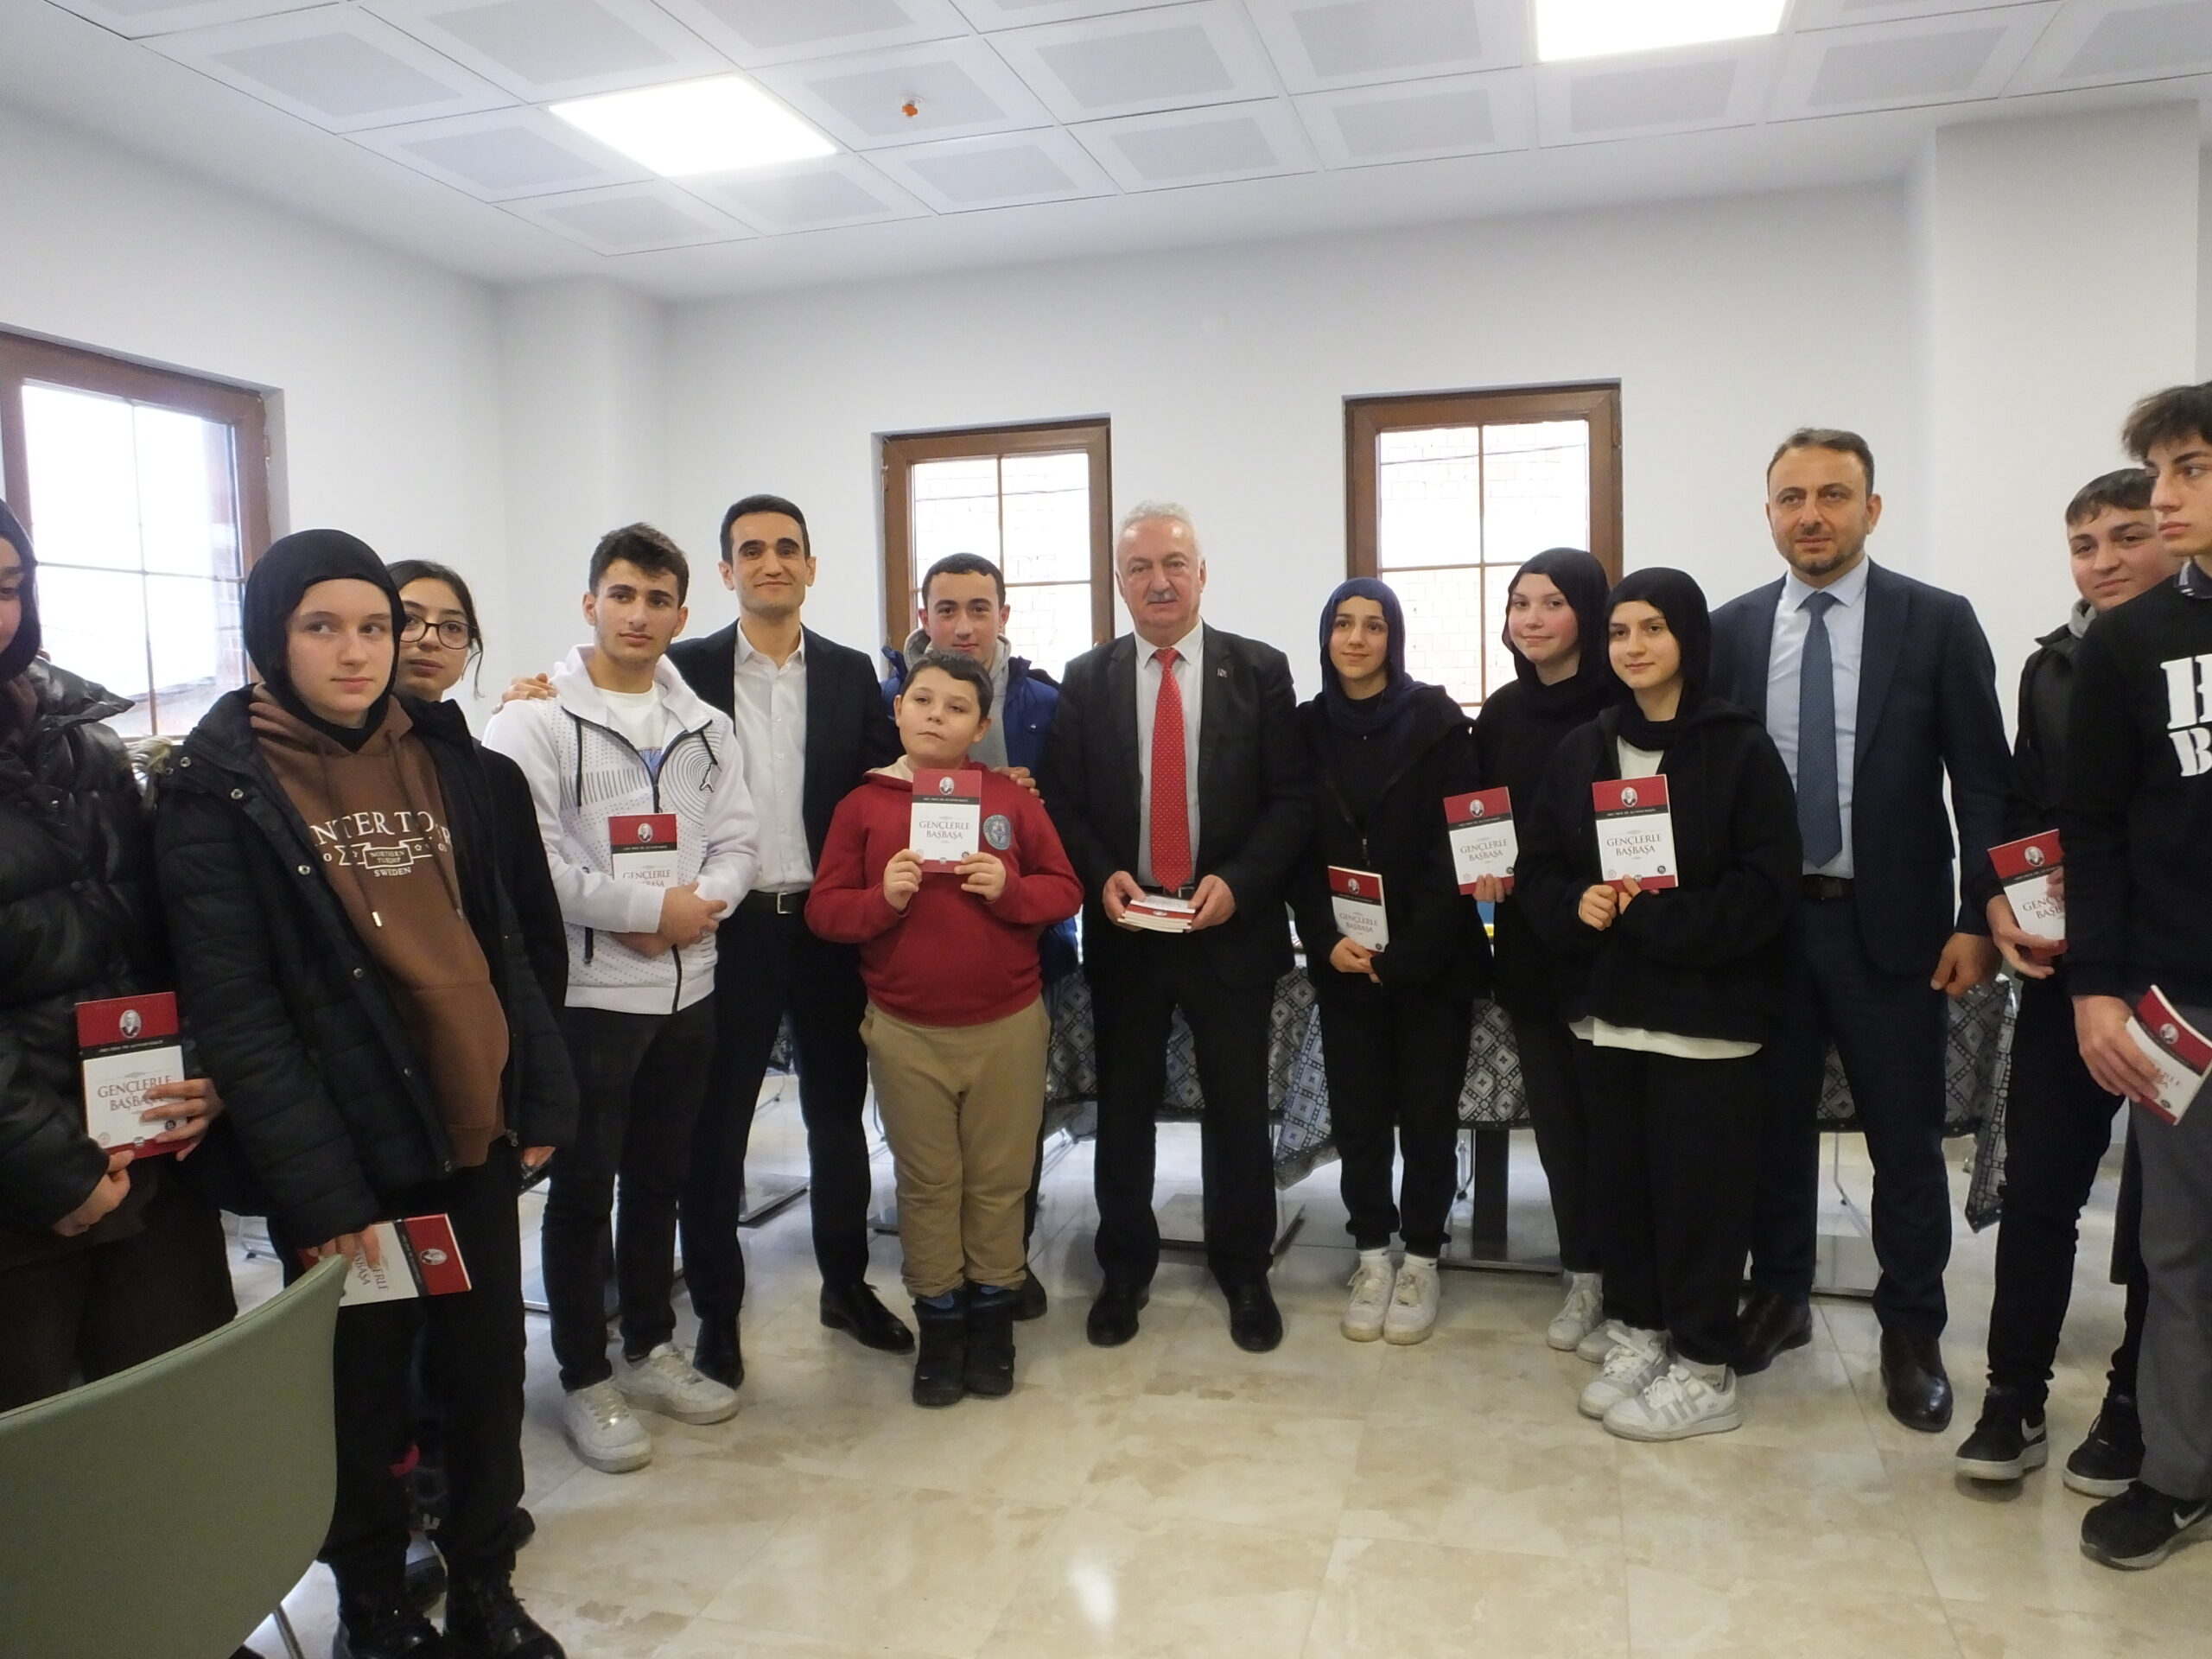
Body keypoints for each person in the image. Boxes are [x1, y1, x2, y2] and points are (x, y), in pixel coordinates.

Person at [156, 530, 578, 1659]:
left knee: (485, 1376)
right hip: (344, 1152)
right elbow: (239, 1011)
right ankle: (375, 1607)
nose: (356, 652)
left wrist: (540, 1097)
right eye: (323, 627)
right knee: (363, 1394)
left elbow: (506, 944)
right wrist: (322, 1192)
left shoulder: (446, 759)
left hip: (469, 1126)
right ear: (271, 636)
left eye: (375, 628)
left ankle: (485, 1586)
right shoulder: (217, 789)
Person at [1710, 429, 2010, 1433]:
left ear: (1871, 509)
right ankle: (1780, 1295)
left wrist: (1977, 915)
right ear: (1768, 514)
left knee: (1905, 1142)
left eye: (1833, 495)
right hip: (1765, 932)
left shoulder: (1936, 622)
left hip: (1895, 932)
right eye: (1791, 497)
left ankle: (1911, 1327)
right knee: (1769, 1132)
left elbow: (1982, 785)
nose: (1811, 515)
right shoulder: (1730, 632)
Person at [483, 524, 757, 1475]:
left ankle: (648, 1347)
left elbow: (739, 842)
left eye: (657, 600)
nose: (638, 615)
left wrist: (695, 909)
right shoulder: (532, 722)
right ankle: (584, 1375)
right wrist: (644, 911)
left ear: (682, 614)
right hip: (590, 996)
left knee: (658, 1180)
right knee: (581, 1191)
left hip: (691, 990)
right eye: (622, 595)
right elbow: (532, 862)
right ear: (590, 602)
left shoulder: (707, 726)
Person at [1517, 569, 1801, 1441]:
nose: (1633, 647)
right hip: (1608, 1016)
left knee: (1698, 1203)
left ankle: (1706, 1366)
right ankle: (1640, 1332)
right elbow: (1539, 869)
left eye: (1652, 629)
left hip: (1707, 1023)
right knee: (1623, 1189)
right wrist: (1577, 903)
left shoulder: (1739, 748)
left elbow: (1766, 889)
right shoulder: (1584, 748)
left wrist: (1656, 920)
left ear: (1688, 640)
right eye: (1619, 632)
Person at [1040, 501, 1313, 1353]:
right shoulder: (1086, 678)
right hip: (1128, 927)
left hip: (1228, 927)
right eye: (1139, 568)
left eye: (1173, 564)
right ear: (1119, 582)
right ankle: (1124, 1269)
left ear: (1201, 573)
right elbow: (1063, 802)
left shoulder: (1257, 670)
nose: (1158, 581)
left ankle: (1244, 1270)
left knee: (1238, 1110)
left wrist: (1240, 883)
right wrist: (1102, 876)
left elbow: (1291, 800)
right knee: (1123, 1110)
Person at [1955, 471, 2171, 1491]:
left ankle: (2132, 1402)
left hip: (2173, 975)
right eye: (2085, 545)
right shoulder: (2051, 666)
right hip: (2064, 972)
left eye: (2128, 536)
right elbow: (2018, 807)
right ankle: (2013, 1396)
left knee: (2162, 1213)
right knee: (2039, 1187)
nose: (2104, 561)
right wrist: (2000, 903)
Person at [0, 499, 234, 1413]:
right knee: (45, 1466)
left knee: (179, 1425)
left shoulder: (85, 743)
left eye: (8, 587)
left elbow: (168, 937)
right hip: (24, 1189)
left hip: (147, 1145)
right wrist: (49, 1166)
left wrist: (202, 1066)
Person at [806, 651, 1082, 1405]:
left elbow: (1065, 889)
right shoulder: (863, 806)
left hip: (1006, 1027)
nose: (936, 715)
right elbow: (824, 911)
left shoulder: (1009, 800)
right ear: (897, 710)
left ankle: (993, 1322)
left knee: (999, 1180)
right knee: (928, 1185)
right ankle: (941, 1322)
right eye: (922, 700)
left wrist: (1010, 889)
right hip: (906, 1032)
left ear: (981, 725)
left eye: (956, 707)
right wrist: (881, 899)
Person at [2063, 382, 2212, 1570]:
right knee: (2180, 1248)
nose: (2165, 498)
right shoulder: (2129, 641)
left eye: (2191, 469)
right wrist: (2096, 991)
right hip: (2179, 1001)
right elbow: (2096, 830)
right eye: (2160, 471)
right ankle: (2177, 1473)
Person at [1287, 577, 1487, 1345]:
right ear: (1326, 636)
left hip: (1431, 963)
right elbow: (1296, 845)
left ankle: (1424, 1258)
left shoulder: (1438, 723)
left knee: (1429, 1120)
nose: (1357, 639)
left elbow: (1458, 850)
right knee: (1360, 1116)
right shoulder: (1303, 729)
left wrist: (1409, 953)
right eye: (1343, 624)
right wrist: (1321, 935)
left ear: (1393, 638)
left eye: (1374, 626)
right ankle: (1372, 1254)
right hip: (1343, 958)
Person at [880, 550, 1073, 1319]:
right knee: (929, 1151)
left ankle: (1004, 1268)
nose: (963, 625)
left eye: (979, 608)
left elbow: (1072, 828)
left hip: (1018, 956)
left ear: (1003, 614)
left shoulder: (1044, 703)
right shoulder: (888, 699)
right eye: (947, 609)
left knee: (1007, 1141)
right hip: (912, 961)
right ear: (923, 615)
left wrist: (1036, 796)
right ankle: (942, 1281)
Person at [1471, 548, 1619, 1354]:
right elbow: (1485, 823)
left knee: (1615, 1124)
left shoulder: (1623, 704)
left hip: (1610, 941)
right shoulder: (1500, 714)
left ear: (1588, 613)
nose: (1530, 619)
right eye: (1519, 603)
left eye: (1551, 603)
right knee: (1559, 1125)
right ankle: (1583, 1273)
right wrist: (1484, 875)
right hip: (1530, 944)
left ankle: (1630, 1280)